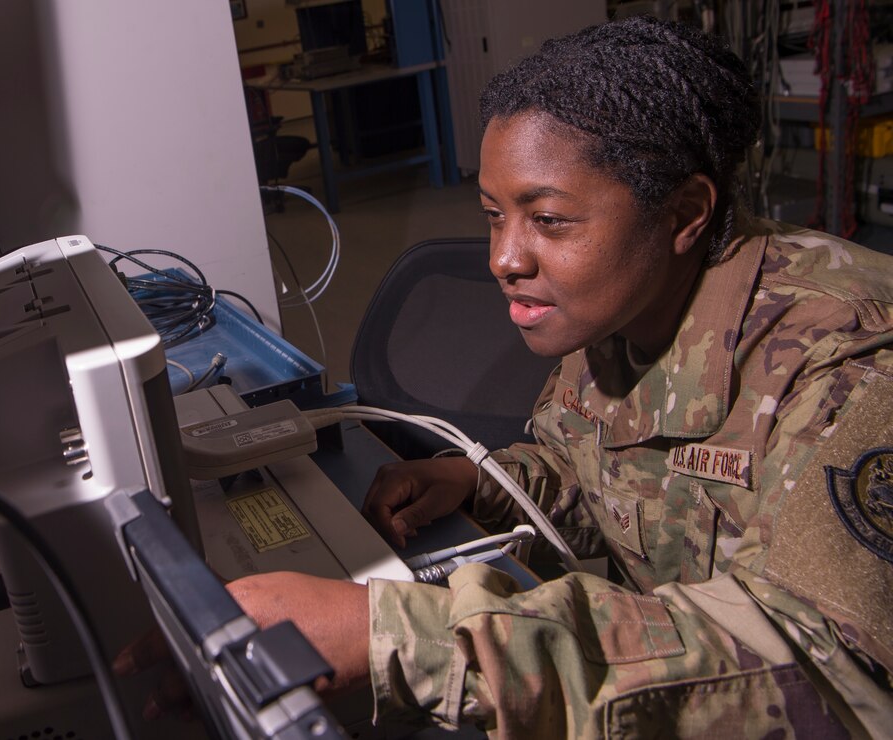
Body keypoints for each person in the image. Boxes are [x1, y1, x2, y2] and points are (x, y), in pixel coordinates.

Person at [116, 15, 893, 736]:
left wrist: (396, 635)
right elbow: (597, 474)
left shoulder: (852, 370)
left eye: (548, 220)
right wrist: (478, 481)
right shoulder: (618, 307)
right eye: (494, 214)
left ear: (685, 213)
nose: (503, 260)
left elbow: (828, 672)